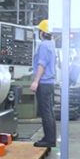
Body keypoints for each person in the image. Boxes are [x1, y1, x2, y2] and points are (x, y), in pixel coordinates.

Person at [30, 19, 57, 148]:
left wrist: (35, 81)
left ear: (42, 32)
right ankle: (49, 137)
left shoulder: (44, 45)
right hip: (49, 83)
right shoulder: (52, 44)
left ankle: (49, 140)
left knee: (45, 112)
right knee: (49, 112)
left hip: (44, 83)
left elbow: (42, 64)